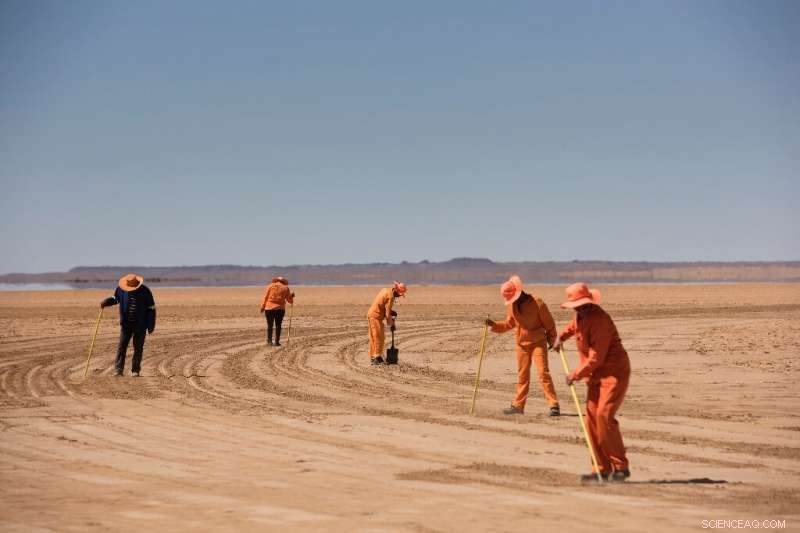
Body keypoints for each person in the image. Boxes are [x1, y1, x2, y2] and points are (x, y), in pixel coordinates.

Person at [551, 282, 631, 483]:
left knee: (604, 416)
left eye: (582, 305)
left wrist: (575, 374)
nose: (579, 309)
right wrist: (560, 337)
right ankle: (600, 468)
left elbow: (597, 358)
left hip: (613, 374)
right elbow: (573, 327)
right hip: (594, 376)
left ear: (589, 303)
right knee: (591, 420)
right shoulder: (580, 316)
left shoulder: (600, 320)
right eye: (576, 306)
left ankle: (620, 466)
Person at [486, 275, 560, 417]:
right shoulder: (512, 306)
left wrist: (553, 340)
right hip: (522, 345)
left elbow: (549, 324)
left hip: (538, 342)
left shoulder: (537, 303)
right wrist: (494, 325)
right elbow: (509, 324)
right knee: (522, 376)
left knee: (543, 373)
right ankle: (518, 406)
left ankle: (553, 405)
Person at [100, 273, 156, 377]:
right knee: (122, 346)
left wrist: (151, 325)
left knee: (138, 348)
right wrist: (106, 302)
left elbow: (151, 309)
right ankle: (118, 370)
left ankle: (135, 370)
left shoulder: (145, 291)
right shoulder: (121, 289)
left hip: (140, 325)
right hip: (126, 324)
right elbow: (116, 299)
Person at [367, 281, 407, 365]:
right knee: (379, 337)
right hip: (376, 317)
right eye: (400, 295)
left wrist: (391, 312)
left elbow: (383, 306)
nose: (399, 296)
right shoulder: (391, 297)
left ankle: (373, 357)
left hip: (371, 314)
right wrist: (392, 324)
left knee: (373, 337)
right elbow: (387, 314)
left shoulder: (385, 290)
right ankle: (377, 357)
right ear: (397, 292)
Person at [260, 276, 294, 346]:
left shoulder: (270, 286)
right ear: (283, 281)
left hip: (269, 308)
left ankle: (269, 341)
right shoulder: (285, 288)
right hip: (280, 309)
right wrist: (292, 297)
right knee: (278, 325)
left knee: (270, 325)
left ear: (276, 280)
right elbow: (289, 300)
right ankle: (277, 341)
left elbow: (265, 297)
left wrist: (262, 307)